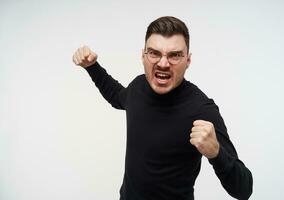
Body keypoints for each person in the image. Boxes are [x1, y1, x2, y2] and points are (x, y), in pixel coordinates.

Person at [72, 16, 253, 200]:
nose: (163, 63)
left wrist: (217, 153)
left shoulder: (202, 110)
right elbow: (117, 97)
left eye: (174, 55)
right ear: (143, 56)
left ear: (188, 60)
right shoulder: (138, 87)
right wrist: (92, 67)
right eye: (154, 53)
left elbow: (244, 189)